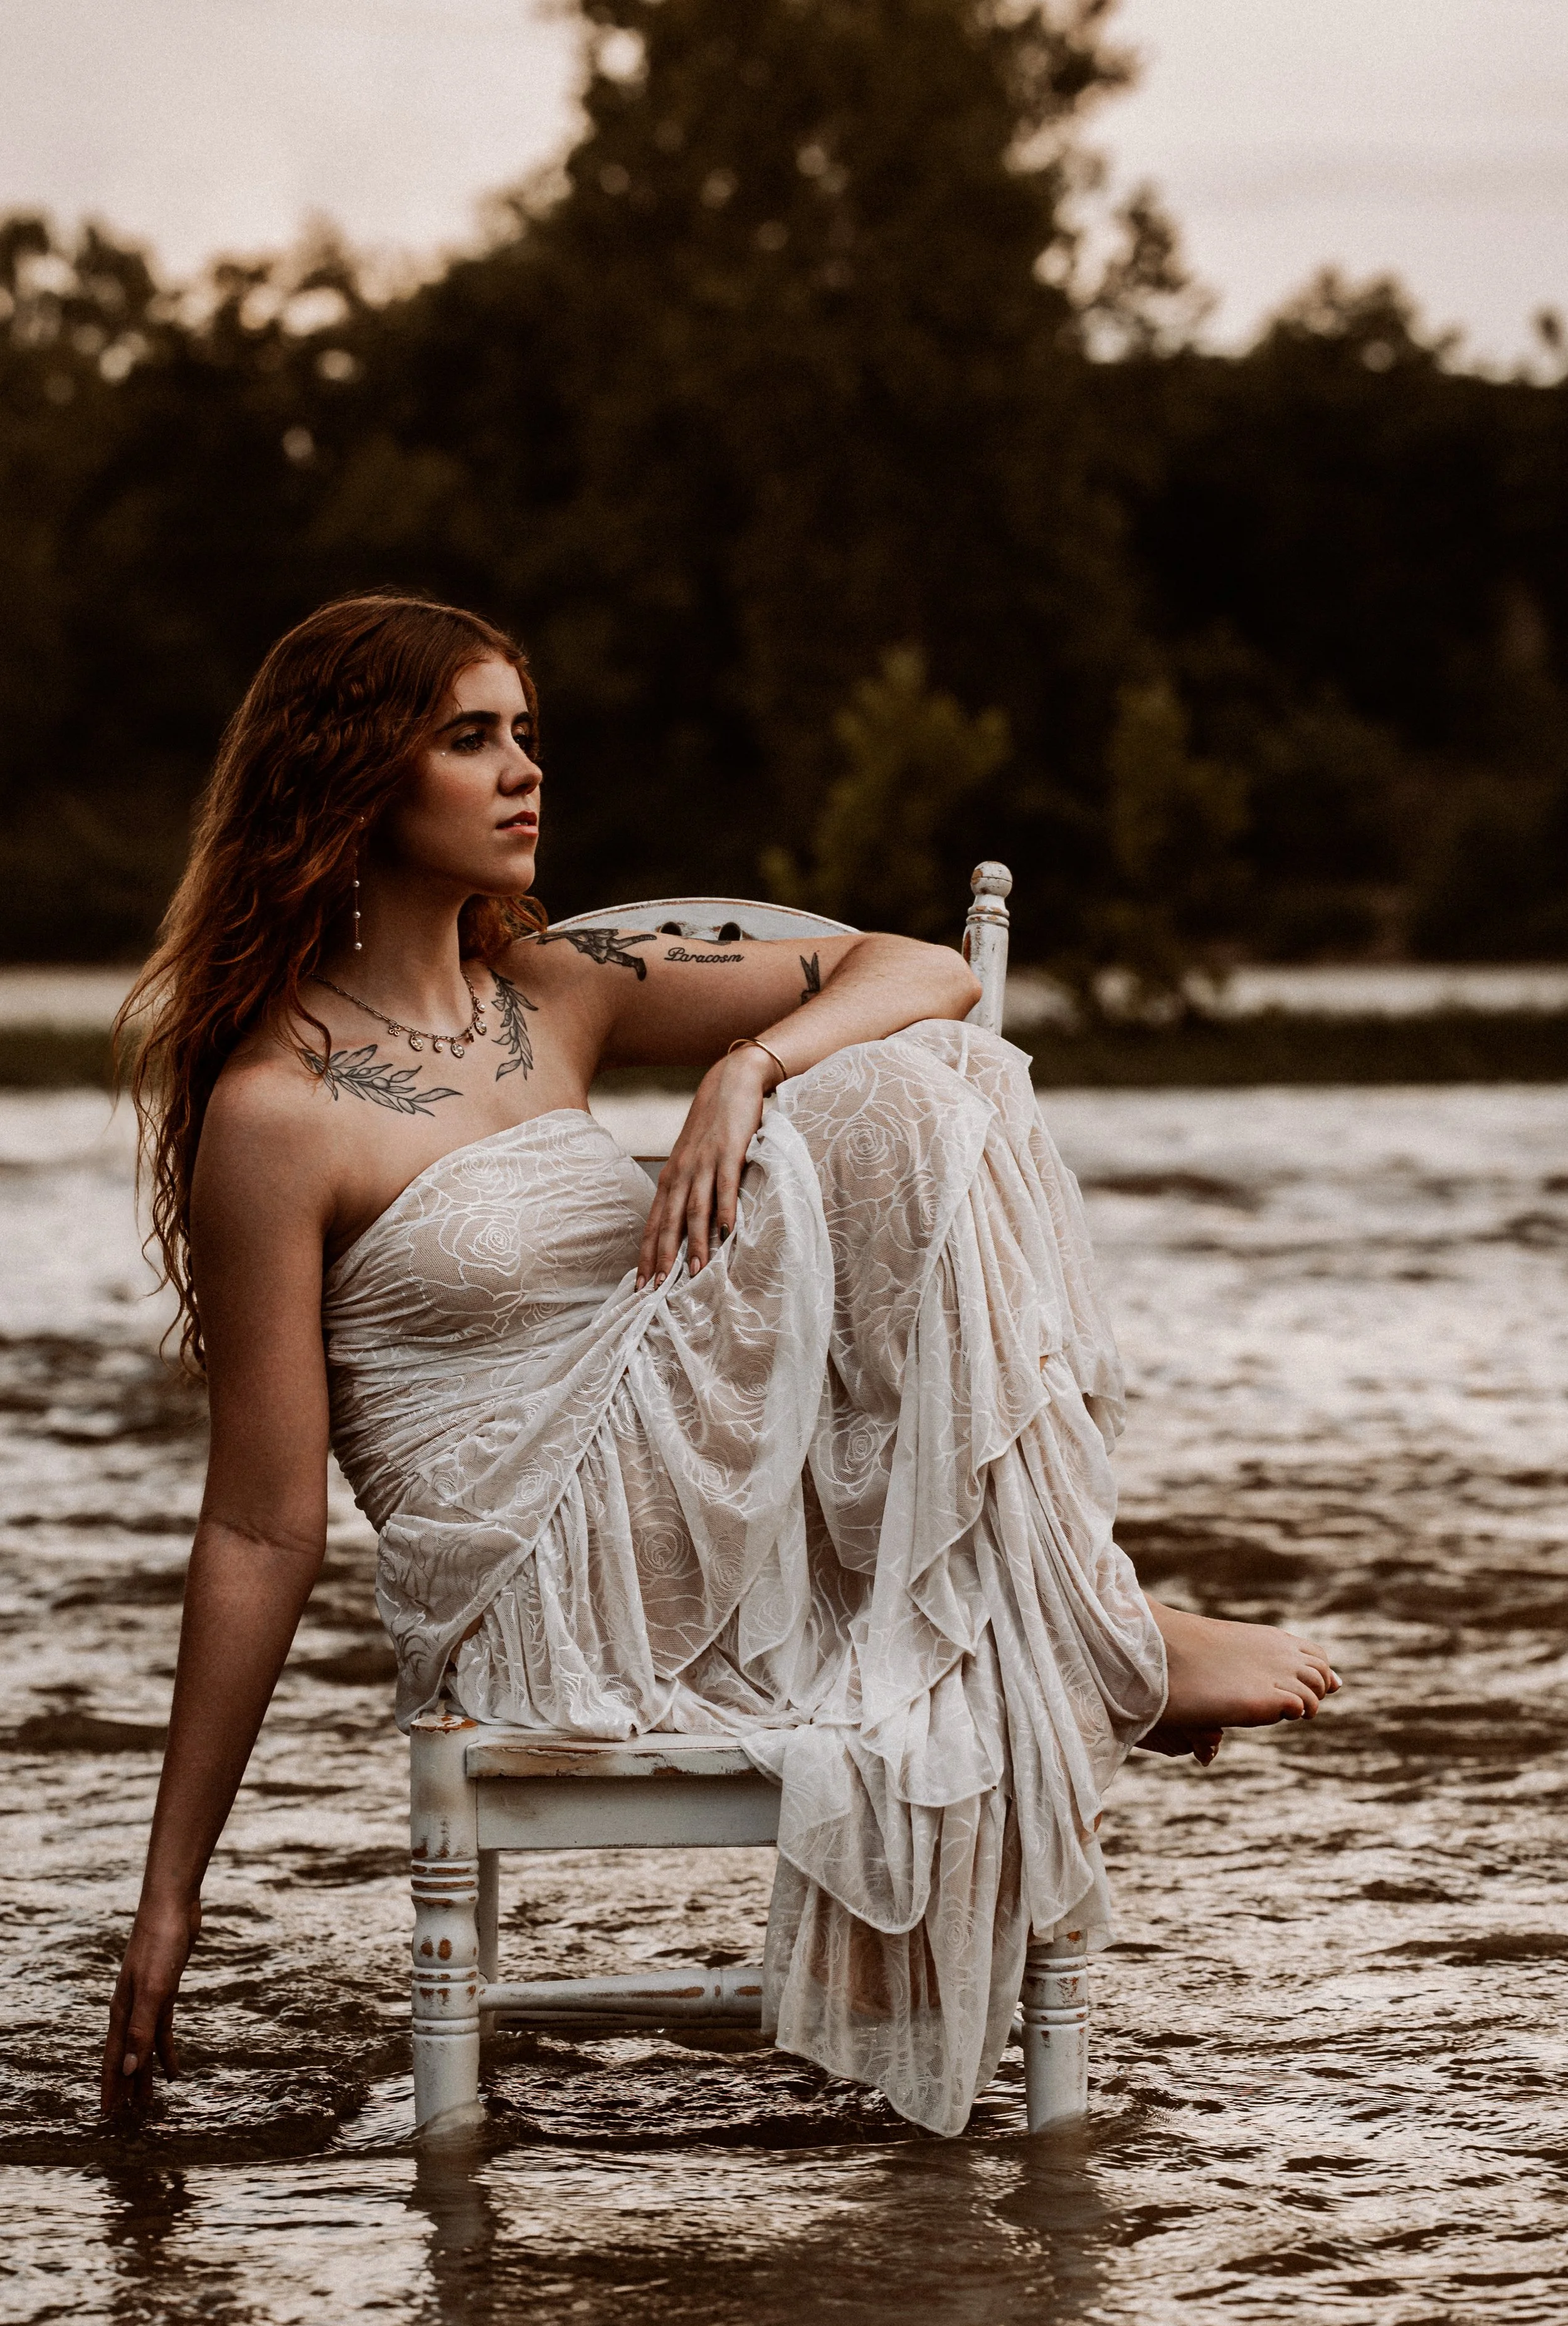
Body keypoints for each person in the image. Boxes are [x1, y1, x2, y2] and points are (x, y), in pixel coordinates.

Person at [101, 593, 1338, 2135]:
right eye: (469, 738)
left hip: (704, 1507)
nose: (521, 773)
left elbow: (921, 969)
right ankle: (1096, 1630)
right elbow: (262, 1526)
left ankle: (1073, 1608)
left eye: (528, 737)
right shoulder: (277, 1112)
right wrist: (172, 1894)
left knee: (910, 1073)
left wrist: (742, 1071)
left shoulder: (559, 986)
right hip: (531, 1583)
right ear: (350, 776)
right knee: (901, 1097)